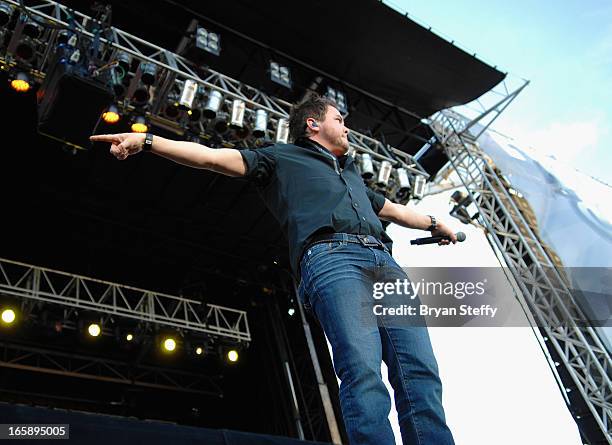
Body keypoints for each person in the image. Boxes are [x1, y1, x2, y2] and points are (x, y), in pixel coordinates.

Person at [90, 94, 456, 444]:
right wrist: (148, 141)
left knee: (420, 373)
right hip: (334, 259)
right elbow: (211, 157)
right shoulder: (280, 157)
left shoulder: (352, 174)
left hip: (386, 265)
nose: (347, 128)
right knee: (361, 371)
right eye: (339, 120)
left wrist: (435, 223)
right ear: (313, 124)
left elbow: (395, 210)